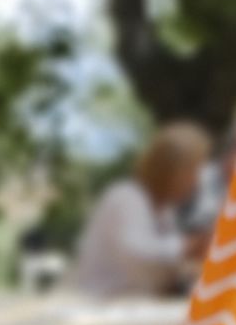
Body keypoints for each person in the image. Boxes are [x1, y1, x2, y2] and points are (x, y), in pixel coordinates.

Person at [74, 123, 212, 297]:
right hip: (98, 303)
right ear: (172, 171)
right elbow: (137, 253)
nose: (196, 182)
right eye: (193, 172)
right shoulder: (126, 197)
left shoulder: (165, 211)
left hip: (132, 304)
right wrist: (190, 246)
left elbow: (163, 270)